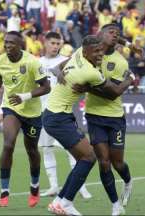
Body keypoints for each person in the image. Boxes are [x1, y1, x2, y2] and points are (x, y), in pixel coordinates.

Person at [43, 35, 135, 215]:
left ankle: (59, 200)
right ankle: (66, 202)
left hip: (58, 115)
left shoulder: (78, 53)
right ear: (86, 52)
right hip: (58, 117)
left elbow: (57, 67)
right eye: (96, 52)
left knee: (84, 158)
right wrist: (130, 78)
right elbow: (114, 92)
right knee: (89, 157)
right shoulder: (90, 72)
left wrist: (61, 72)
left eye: (101, 50)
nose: (100, 54)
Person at [0, 31, 50, 208]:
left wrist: (25, 96)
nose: (7, 46)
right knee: (8, 144)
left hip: (32, 112)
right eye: (6, 42)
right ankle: (4, 190)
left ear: (20, 45)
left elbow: (46, 87)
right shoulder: (0, 62)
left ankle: (34, 186)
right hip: (11, 108)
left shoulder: (32, 62)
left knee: (32, 150)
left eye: (12, 43)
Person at [72, 24, 134, 215]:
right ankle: (116, 205)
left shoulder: (120, 62)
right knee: (104, 162)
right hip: (94, 116)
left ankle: (128, 181)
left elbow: (112, 94)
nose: (115, 35)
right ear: (101, 34)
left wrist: (87, 89)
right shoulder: (89, 52)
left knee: (118, 163)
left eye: (118, 34)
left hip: (115, 117)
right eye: (111, 32)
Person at [38, 31, 91, 199]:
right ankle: (53, 185)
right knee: (46, 150)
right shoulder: (37, 63)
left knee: (72, 150)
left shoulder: (64, 61)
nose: (55, 46)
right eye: (52, 43)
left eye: (58, 43)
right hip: (42, 113)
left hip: (62, 112)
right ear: (45, 43)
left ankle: (81, 186)